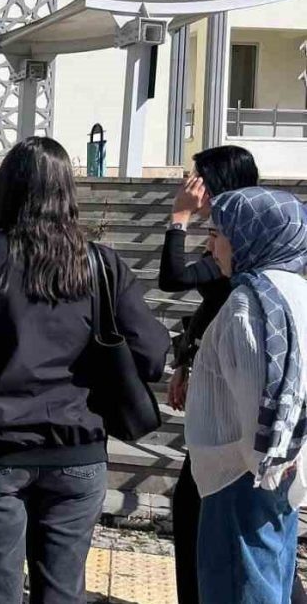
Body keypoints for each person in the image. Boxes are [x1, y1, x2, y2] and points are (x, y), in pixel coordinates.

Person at [0, 136, 169, 604]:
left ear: (2, 190)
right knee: (63, 592)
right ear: (67, 194)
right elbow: (151, 355)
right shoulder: (100, 265)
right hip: (75, 448)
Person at [185, 187, 307, 603]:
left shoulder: (251, 302)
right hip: (280, 469)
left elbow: (260, 396)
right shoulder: (294, 290)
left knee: (241, 588)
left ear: (249, 236)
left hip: (243, 475)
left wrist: (265, 465)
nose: (210, 246)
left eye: (217, 233)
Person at [157, 145, 265, 604]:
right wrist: (185, 360)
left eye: (196, 178)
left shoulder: (242, 239)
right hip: (217, 381)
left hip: (237, 396)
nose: (189, 185)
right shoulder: (230, 234)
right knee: (196, 509)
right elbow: (208, 303)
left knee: (207, 512)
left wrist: (179, 218)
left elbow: (173, 278)